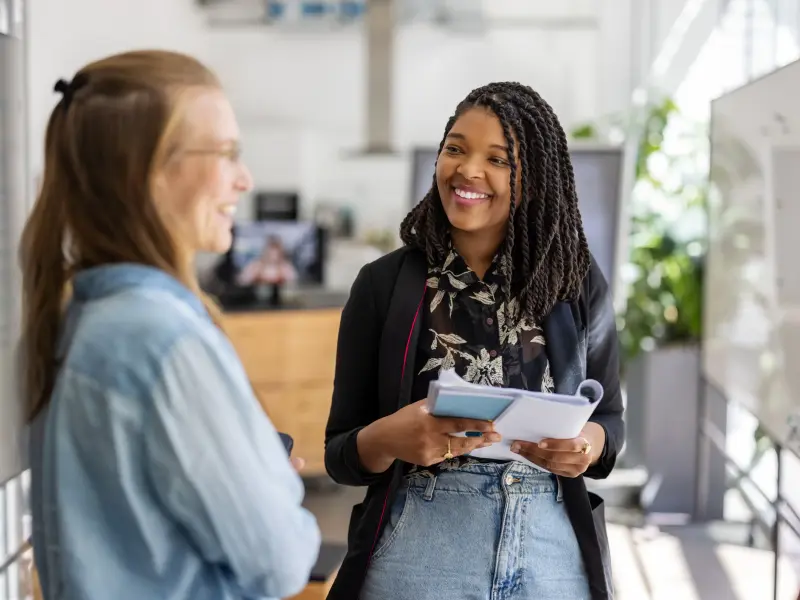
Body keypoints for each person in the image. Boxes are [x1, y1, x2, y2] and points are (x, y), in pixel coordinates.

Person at [19, 50, 320, 600]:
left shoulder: (78, 317)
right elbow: (279, 562)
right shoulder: (160, 338)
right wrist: (273, 484)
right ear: (147, 174)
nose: (245, 179)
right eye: (227, 154)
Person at [324, 82, 624, 600]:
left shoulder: (574, 283)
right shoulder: (383, 285)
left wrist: (585, 446)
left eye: (498, 159)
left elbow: (610, 421)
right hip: (420, 545)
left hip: (551, 550)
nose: (467, 170)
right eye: (455, 149)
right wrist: (390, 439)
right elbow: (339, 453)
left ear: (533, 179)